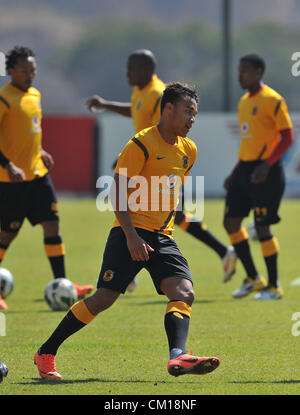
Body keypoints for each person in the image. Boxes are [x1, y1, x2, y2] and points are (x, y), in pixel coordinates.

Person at [34, 82, 220, 380]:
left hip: (162, 237)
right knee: (103, 299)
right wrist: (132, 236)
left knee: (184, 291)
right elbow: (116, 193)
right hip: (128, 233)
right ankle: (46, 352)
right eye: (188, 112)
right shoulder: (140, 144)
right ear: (168, 109)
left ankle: (178, 356)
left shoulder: (189, 150)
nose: (192, 119)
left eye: (195, 114)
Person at [86, 49, 237, 291]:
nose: (127, 73)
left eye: (131, 68)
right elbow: (135, 110)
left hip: (160, 163)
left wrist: (135, 154)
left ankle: (129, 268)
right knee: (164, 214)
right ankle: (222, 251)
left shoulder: (158, 93)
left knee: (148, 213)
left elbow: (159, 130)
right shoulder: (140, 92)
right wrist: (106, 105)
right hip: (147, 160)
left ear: (145, 70)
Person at [0, 46, 93, 310]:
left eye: (33, 70)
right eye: (24, 70)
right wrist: (8, 166)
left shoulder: (35, 94)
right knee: (7, 233)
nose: (30, 75)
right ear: (9, 71)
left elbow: (28, 132)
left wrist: (40, 151)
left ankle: (63, 283)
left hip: (38, 175)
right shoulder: (4, 98)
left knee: (52, 226)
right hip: (11, 180)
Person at [223, 54, 294, 300]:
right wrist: (234, 173)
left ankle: (273, 286)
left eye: (244, 71)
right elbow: (249, 143)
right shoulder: (243, 102)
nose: (239, 75)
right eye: (238, 70)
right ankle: (254, 278)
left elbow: (287, 137)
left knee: (262, 226)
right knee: (231, 222)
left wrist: (266, 165)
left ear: (259, 72)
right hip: (244, 169)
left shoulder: (272, 100)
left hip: (267, 173)